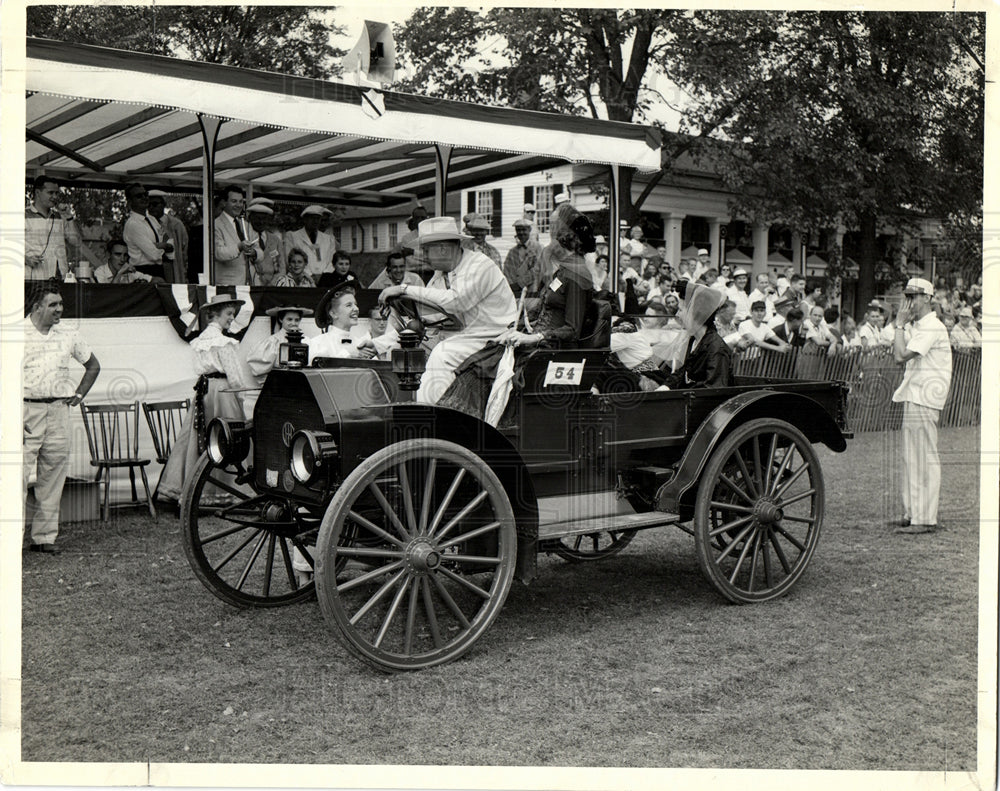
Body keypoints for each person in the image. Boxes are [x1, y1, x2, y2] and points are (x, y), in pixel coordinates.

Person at [378, 217, 517, 404]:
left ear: (443, 248)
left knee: (443, 353)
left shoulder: (480, 265)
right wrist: (381, 341)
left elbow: (456, 301)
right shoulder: (440, 274)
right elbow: (432, 314)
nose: (423, 256)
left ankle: (428, 414)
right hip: (461, 334)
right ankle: (398, 404)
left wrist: (404, 289)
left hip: (493, 337)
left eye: (426, 250)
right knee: (399, 350)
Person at [22, 282, 101, 553]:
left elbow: (93, 365)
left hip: (58, 410)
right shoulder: (15, 334)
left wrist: (78, 395)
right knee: (15, 476)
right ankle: (8, 539)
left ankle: (44, 538)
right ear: (36, 307)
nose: (59, 310)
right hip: (24, 411)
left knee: (53, 475)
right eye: (53, 305)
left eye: (61, 304)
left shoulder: (69, 334)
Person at [157, 294, 253, 503]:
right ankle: (227, 492)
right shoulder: (224, 342)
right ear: (215, 315)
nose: (231, 318)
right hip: (222, 392)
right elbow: (235, 377)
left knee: (201, 438)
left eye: (233, 314)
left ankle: (197, 490)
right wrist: (240, 397)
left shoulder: (200, 341)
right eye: (228, 314)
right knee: (228, 437)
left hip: (205, 391)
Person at [889, 278, 953, 535]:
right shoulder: (920, 325)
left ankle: (924, 518)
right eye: (907, 296)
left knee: (923, 457)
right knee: (911, 457)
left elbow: (900, 355)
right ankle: (912, 514)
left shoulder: (932, 326)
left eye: (914, 297)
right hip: (915, 395)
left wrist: (899, 326)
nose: (909, 302)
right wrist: (901, 327)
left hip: (925, 397)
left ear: (927, 298)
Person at [655, 280, 734, 389]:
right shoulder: (693, 340)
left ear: (695, 315)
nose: (677, 314)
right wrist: (666, 386)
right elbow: (684, 371)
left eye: (681, 310)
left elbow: (714, 388)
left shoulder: (716, 348)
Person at [25, 176, 98, 281]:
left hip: (59, 276)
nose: (55, 197)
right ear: (37, 193)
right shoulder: (23, 216)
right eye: (50, 193)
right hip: (33, 276)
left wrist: (69, 217)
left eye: (56, 193)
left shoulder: (60, 216)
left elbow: (76, 241)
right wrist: (25, 259)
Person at [307, 285, 377, 363]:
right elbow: (317, 371)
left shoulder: (361, 344)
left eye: (356, 305)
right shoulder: (318, 343)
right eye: (349, 305)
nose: (356, 309)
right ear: (333, 314)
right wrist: (347, 354)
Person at [123, 182, 174, 279]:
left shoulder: (152, 219)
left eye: (145, 194)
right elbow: (154, 255)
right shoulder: (133, 224)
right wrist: (164, 246)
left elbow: (169, 242)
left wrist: (159, 245)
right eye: (139, 196)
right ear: (130, 201)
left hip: (158, 269)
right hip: (142, 272)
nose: (144, 198)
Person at [213, 184, 256, 285]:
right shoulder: (216, 224)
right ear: (224, 203)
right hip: (227, 284)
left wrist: (254, 252)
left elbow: (259, 251)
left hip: (248, 283)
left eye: (241, 201)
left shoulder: (245, 224)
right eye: (234, 201)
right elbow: (219, 253)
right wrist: (239, 247)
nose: (238, 205)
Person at [283, 205, 336, 281]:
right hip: (301, 280)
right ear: (305, 220)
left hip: (325, 281)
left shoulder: (328, 239)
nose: (315, 221)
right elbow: (290, 260)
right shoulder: (292, 236)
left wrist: (324, 277)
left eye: (318, 218)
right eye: (312, 218)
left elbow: (332, 261)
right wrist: (309, 276)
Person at [147, 189, 188, 282]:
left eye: (155, 204)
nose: (151, 208)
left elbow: (184, 248)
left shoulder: (176, 224)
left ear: (163, 204)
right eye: (148, 205)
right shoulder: (144, 224)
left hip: (172, 267)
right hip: (152, 267)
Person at [245, 203, 284, 286]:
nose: (261, 222)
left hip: (272, 287)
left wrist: (272, 284)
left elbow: (282, 268)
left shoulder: (275, 240)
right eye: (257, 218)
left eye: (264, 219)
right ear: (250, 219)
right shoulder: (245, 238)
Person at [503, 219, 544, 294]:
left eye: (524, 230)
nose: (521, 233)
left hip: (533, 291)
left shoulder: (538, 248)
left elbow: (537, 269)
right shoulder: (512, 252)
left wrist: (520, 284)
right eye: (518, 230)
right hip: (516, 293)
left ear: (529, 230)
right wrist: (512, 286)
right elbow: (507, 271)